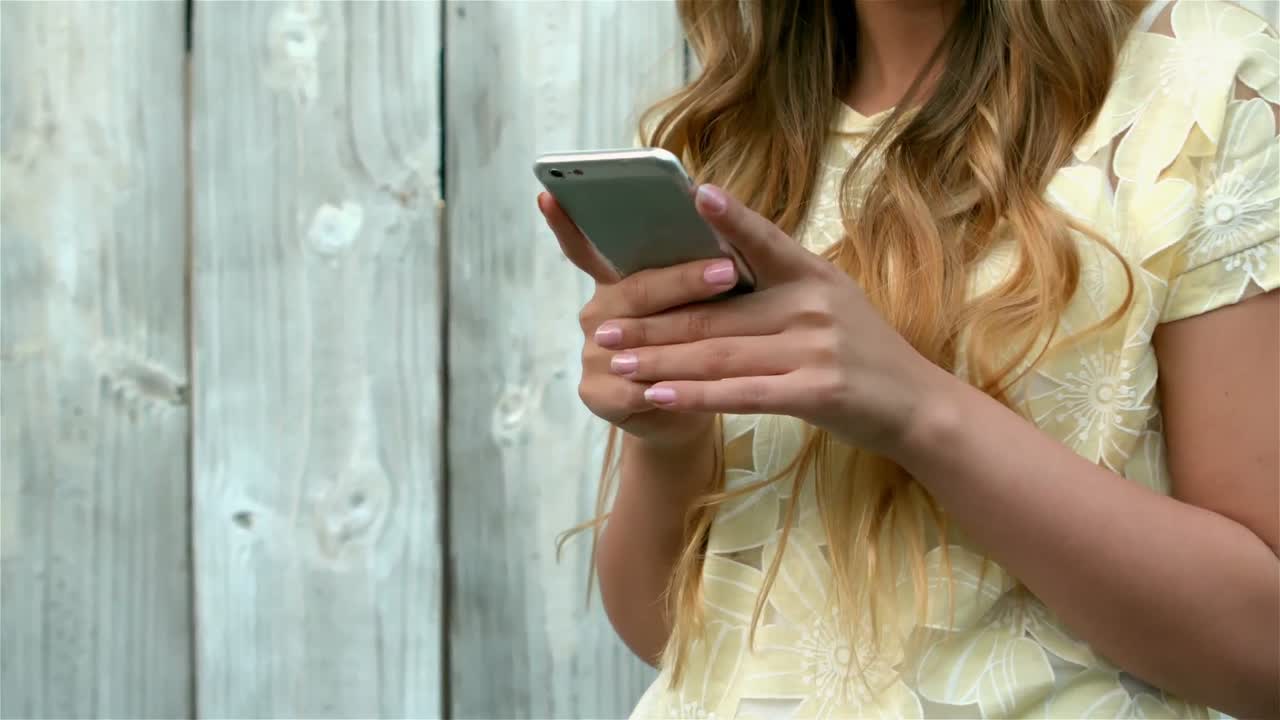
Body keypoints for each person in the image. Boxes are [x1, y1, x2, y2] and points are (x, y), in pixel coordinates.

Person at [539, 0, 1279, 717]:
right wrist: (667, 441)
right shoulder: (728, 135)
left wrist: (918, 410)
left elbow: (1264, 652)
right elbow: (672, 638)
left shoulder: (1201, 85)